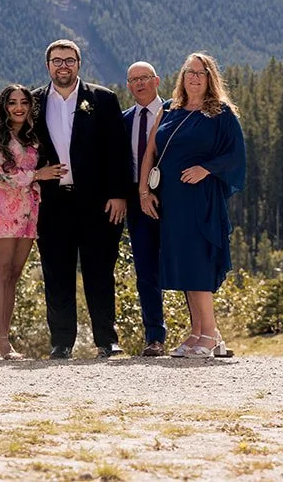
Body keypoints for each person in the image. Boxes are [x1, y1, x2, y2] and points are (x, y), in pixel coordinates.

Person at [138, 52, 246, 360]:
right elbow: (150, 152)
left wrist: (206, 169)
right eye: (189, 72)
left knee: (198, 262)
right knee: (185, 262)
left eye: (201, 72)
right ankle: (198, 331)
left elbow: (236, 155)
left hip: (201, 199)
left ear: (210, 78)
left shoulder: (221, 113)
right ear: (182, 77)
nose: (194, 77)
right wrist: (144, 191)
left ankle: (208, 333)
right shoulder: (169, 109)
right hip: (172, 202)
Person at [32, 39, 132, 359]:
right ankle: (61, 342)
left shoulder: (102, 99)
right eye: (57, 61)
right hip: (51, 203)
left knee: (99, 272)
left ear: (79, 64)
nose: (63, 66)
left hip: (97, 203)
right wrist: (34, 175)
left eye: (69, 60)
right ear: (48, 65)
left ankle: (107, 340)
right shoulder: (33, 102)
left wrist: (119, 194)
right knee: (56, 273)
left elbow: (119, 150)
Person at [0, 84, 61, 359]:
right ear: (4, 107)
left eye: (24, 102)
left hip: (29, 210)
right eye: (12, 102)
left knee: (14, 274)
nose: (18, 107)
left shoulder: (31, 135)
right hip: (2, 208)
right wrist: (37, 175)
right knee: (1, 272)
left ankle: (4, 338)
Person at [124, 61, 169, 356]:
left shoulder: (174, 114)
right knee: (146, 271)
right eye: (133, 80)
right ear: (129, 86)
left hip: (173, 198)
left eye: (144, 78)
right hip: (136, 202)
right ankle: (155, 337)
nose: (139, 84)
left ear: (157, 80)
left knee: (185, 264)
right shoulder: (124, 119)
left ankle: (201, 333)